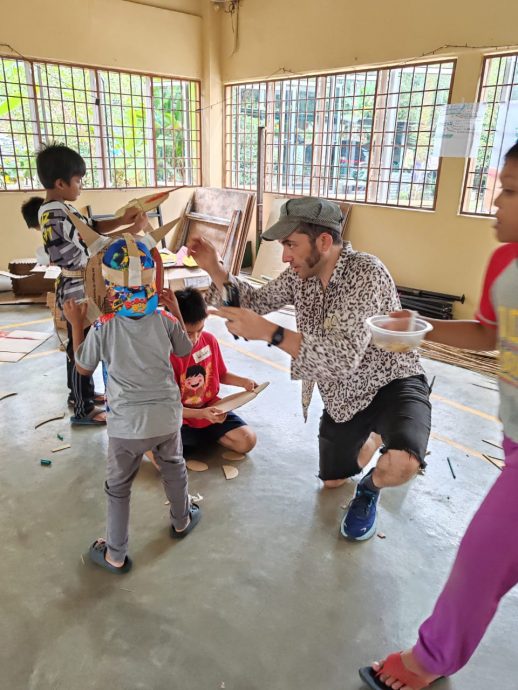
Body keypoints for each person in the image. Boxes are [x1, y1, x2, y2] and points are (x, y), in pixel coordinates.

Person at [358, 143, 518, 689]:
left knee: (481, 556)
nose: (497, 201)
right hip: (514, 437)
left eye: (513, 192)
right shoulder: (505, 260)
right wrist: (418, 329)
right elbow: (489, 333)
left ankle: (429, 659)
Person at [189, 197, 431, 541]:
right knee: (333, 481)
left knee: (403, 462)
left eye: (291, 244)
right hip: (343, 394)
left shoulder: (367, 273)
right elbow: (254, 302)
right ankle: (375, 435)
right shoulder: (300, 276)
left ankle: (370, 488)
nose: (285, 256)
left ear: (324, 241)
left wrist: (270, 333)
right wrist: (215, 269)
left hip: (391, 380)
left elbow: (342, 357)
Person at [64, 235, 200, 574]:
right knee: (174, 467)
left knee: (119, 488)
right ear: (152, 279)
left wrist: (76, 325)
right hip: (167, 418)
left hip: (126, 426)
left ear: (111, 282)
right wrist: (176, 310)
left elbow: (82, 367)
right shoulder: (166, 320)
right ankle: (182, 520)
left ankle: (115, 553)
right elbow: (184, 352)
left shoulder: (104, 326)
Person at [24, 143, 147, 425]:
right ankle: (83, 409)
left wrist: (120, 221)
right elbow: (83, 255)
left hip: (84, 287)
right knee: (82, 347)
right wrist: (130, 233)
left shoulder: (63, 209)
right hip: (77, 291)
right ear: (60, 183)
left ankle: (80, 395)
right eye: (78, 181)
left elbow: (92, 229)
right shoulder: (53, 215)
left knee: (82, 346)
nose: (81, 186)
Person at [163, 287, 257, 455]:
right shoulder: (164, 354)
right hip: (180, 417)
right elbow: (167, 407)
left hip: (212, 409)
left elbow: (221, 374)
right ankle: (197, 439)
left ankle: (201, 438)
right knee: (168, 453)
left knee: (247, 441)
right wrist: (200, 415)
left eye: (200, 330)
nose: (195, 338)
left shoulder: (209, 340)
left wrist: (243, 382)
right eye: (189, 332)